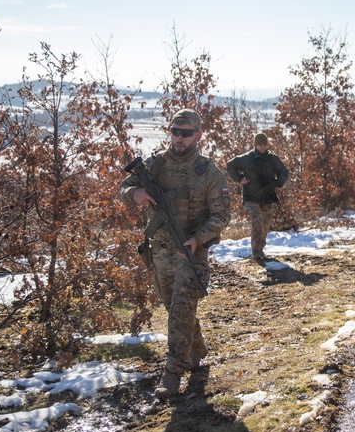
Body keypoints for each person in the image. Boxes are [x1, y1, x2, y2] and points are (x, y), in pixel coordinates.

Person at [119, 108, 231, 399]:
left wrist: (198, 239)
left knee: (180, 312)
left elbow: (222, 216)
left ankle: (172, 376)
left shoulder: (209, 172)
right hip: (159, 252)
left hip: (191, 254)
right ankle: (197, 350)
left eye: (185, 133)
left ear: (198, 135)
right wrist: (135, 194)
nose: (179, 138)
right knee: (176, 309)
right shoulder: (155, 165)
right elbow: (124, 187)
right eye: (175, 132)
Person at [226, 132, 290, 263]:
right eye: (259, 145)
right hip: (251, 196)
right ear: (255, 144)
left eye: (264, 145)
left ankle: (261, 249)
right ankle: (255, 252)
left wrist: (279, 182)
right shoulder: (247, 158)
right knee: (258, 220)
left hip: (267, 196)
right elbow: (230, 165)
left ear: (268, 145)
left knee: (266, 223)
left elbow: (284, 172)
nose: (262, 147)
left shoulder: (273, 159)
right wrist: (239, 179)